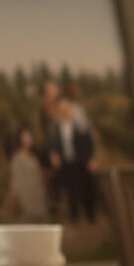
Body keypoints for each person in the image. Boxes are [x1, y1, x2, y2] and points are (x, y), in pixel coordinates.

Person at [48, 91, 100, 224]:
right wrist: (54, 155)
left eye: (66, 109)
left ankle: (91, 216)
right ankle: (75, 217)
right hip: (66, 163)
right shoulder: (57, 128)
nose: (64, 112)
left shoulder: (80, 125)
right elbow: (54, 146)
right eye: (62, 110)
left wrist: (92, 160)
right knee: (71, 191)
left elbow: (90, 143)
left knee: (86, 189)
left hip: (82, 162)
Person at [5, 128, 48, 222]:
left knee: (39, 219)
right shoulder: (17, 158)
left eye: (29, 138)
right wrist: (15, 194)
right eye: (25, 138)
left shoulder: (34, 156)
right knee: (27, 220)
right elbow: (15, 177)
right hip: (25, 194)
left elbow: (38, 173)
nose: (28, 141)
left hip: (36, 192)